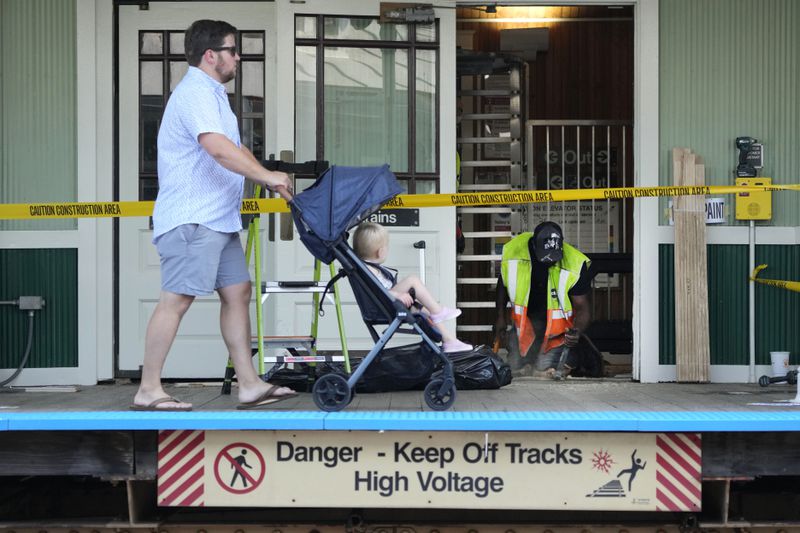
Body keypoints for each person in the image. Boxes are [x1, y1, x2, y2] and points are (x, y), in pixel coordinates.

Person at [131, 19, 297, 411]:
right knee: (177, 299)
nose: (238, 57)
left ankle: (250, 384)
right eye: (232, 50)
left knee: (237, 293)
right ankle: (149, 388)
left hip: (218, 220)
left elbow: (235, 147)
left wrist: (268, 178)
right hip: (192, 219)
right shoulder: (194, 93)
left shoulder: (214, 95)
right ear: (211, 55)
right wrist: (269, 176)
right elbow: (218, 149)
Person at [352, 222, 473, 353]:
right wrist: (397, 295)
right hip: (383, 306)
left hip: (386, 303)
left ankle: (450, 340)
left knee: (426, 311)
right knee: (413, 280)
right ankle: (438, 311)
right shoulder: (367, 269)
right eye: (387, 246)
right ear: (380, 252)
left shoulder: (366, 267)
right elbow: (376, 291)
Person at [494, 221, 592, 378]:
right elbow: (503, 283)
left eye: (554, 257)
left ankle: (575, 359)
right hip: (526, 324)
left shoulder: (574, 263)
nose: (550, 261)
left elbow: (583, 308)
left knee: (544, 370)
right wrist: (499, 316)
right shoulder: (515, 251)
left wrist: (576, 332)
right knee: (516, 369)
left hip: (557, 332)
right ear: (534, 246)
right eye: (545, 257)